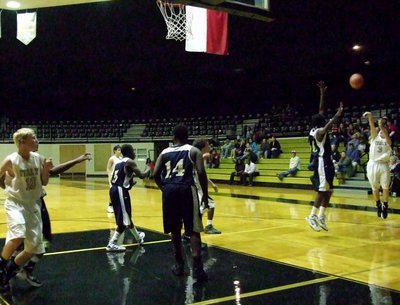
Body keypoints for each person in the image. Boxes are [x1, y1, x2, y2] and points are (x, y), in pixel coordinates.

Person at [0, 151, 92, 287]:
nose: (36, 141)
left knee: (37, 242)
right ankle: (10, 272)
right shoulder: (16, 161)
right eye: (34, 138)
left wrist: (76, 160)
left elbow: (52, 172)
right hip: (24, 204)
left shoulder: (34, 159)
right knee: (28, 242)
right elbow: (2, 178)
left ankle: (16, 271)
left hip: (35, 203)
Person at [153, 125, 209, 282]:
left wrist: (164, 188)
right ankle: (197, 269)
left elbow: (155, 174)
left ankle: (179, 265)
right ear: (187, 136)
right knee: (193, 230)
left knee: (175, 230)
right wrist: (205, 194)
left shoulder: (164, 152)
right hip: (187, 189)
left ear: (173, 137)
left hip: (170, 190)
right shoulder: (194, 151)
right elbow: (201, 172)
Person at [0, 128, 53, 292]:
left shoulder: (38, 158)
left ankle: (7, 273)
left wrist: (46, 169)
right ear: (22, 142)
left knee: (33, 248)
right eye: (33, 138)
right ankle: (1, 266)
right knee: (18, 235)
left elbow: (44, 182)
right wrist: (4, 184)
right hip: (16, 203)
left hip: (33, 205)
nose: (37, 140)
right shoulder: (11, 160)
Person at [306, 81, 343, 232]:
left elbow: (321, 109)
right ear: (320, 122)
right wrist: (337, 115)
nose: (324, 116)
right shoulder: (318, 132)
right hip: (321, 162)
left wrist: (322, 92)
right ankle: (312, 216)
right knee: (322, 190)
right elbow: (328, 125)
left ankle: (321, 216)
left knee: (329, 190)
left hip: (327, 161)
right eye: (323, 118)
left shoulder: (317, 126)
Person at [106, 144, 147, 252]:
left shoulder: (119, 162)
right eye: (133, 150)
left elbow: (122, 180)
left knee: (127, 217)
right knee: (123, 221)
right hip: (119, 190)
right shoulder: (129, 161)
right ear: (129, 152)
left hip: (115, 189)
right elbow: (142, 175)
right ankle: (112, 243)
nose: (134, 153)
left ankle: (138, 237)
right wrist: (151, 168)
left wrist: (129, 184)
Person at [363, 112, 392, 219]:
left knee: (385, 187)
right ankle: (378, 204)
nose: (380, 131)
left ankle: (385, 205)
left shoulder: (388, 140)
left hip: (383, 165)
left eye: (382, 130)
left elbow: (388, 138)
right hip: (373, 164)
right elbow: (372, 126)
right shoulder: (374, 138)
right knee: (375, 188)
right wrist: (370, 117)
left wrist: (381, 126)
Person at [192, 139, 221, 234]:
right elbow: (199, 173)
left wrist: (212, 184)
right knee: (210, 204)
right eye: (208, 145)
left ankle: (189, 224)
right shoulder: (199, 156)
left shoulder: (196, 156)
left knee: (201, 207)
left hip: (196, 186)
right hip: (197, 186)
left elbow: (202, 174)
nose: (210, 147)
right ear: (203, 147)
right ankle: (207, 226)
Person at [106, 145, 122, 213]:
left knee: (119, 192)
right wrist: (110, 176)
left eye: (120, 150)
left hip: (119, 177)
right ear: (115, 151)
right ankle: (110, 206)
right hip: (113, 177)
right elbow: (108, 168)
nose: (120, 151)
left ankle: (117, 206)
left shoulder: (121, 158)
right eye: (118, 150)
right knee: (112, 192)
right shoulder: (112, 158)